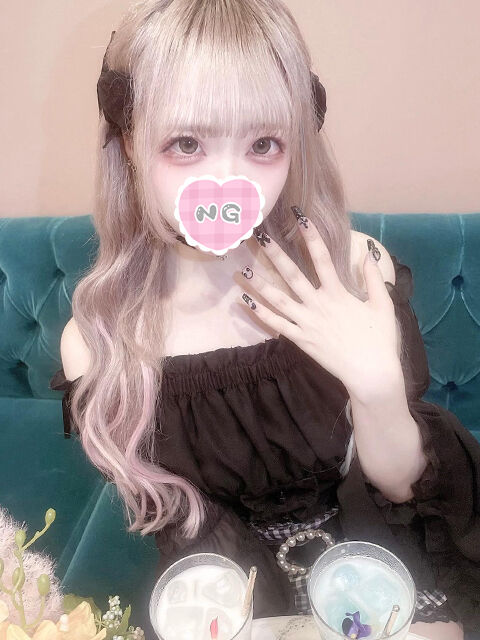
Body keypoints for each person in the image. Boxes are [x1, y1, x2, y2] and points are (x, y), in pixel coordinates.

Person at [49, 1, 480, 637]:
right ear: (130, 143)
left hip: (379, 556)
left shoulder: (354, 270)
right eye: (187, 144)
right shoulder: (100, 344)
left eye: (263, 144)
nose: (229, 182)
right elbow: (186, 531)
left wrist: (378, 390)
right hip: (231, 590)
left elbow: (402, 490)